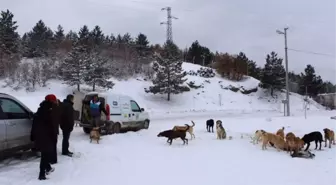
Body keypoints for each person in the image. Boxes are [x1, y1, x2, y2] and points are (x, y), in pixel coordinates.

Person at [32, 94, 58, 180]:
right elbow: (51, 126)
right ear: (51, 101)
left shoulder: (40, 109)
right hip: (46, 136)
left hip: (40, 135)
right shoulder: (49, 111)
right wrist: (54, 136)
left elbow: (34, 123)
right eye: (54, 100)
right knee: (45, 155)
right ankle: (42, 175)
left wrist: (33, 135)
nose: (55, 102)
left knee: (45, 153)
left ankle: (48, 168)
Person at [50, 99, 62, 164]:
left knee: (51, 145)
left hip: (51, 130)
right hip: (55, 130)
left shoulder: (52, 109)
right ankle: (54, 159)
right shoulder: (58, 109)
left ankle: (52, 159)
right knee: (54, 145)